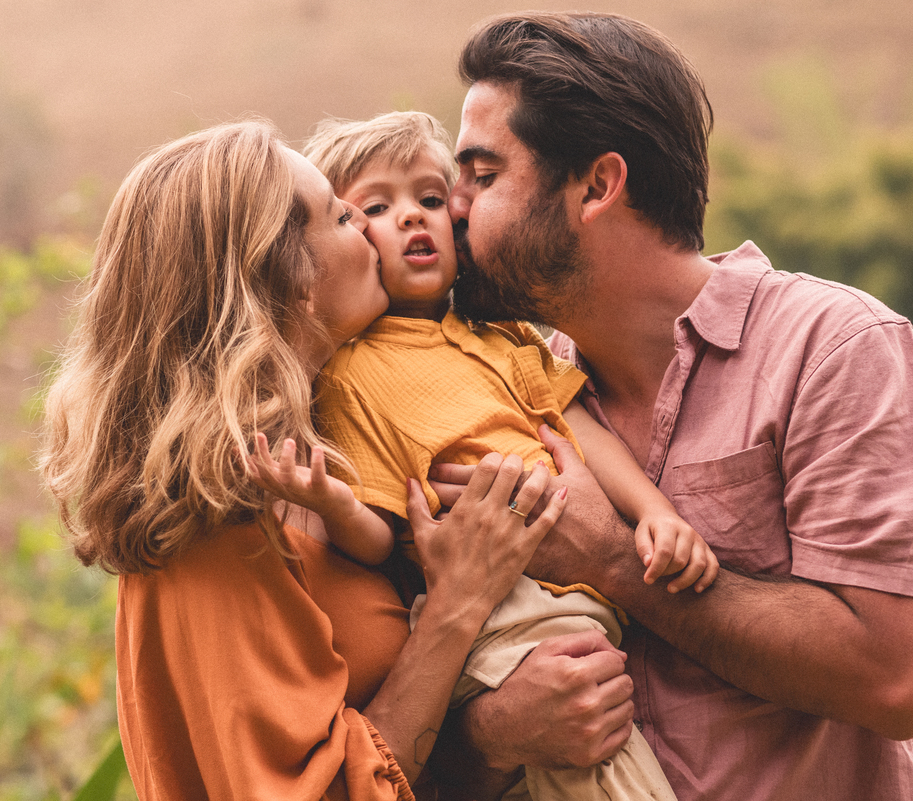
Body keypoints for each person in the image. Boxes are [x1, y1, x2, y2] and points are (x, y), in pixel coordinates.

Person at [428, 11, 913, 801]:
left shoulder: (832, 348)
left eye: (484, 177)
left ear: (596, 185)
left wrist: (614, 562)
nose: (449, 209)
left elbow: (897, 680)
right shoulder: (507, 396)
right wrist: (491, 733)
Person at [39, 118, 574, 800]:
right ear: (290, 276)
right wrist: (457, 606)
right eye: (346, 214)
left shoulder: (324, 460)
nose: (377, 230)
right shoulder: (213, 522)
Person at [245, 109, 715, 801]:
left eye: (432, 200)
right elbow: (384, 536)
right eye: (372, 208)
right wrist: (334, 502)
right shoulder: (352, 373)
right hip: (504, 609)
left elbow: (576, 429)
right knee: (615, 776)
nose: (413, 218)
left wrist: (655, 512)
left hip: (586, 601)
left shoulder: (506, 338)